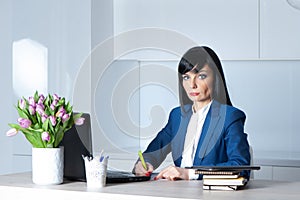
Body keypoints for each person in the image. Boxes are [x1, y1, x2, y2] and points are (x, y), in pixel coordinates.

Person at [133, 46, 250, 181]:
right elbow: (152, 153)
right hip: (177, 191)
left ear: (216, 78)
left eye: (201, 76)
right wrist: (144, 165)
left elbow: (241, 166)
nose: (192, 84)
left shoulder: (230, 116)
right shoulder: (177, 116)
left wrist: (190, 174)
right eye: (186, 77)